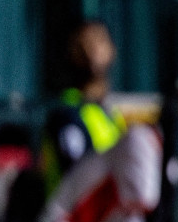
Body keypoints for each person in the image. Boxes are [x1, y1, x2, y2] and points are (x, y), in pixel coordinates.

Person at [41, 20, 128, 195]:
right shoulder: (67, 111)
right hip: (75, 209)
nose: (92, 50)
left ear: (112, 50)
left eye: (99, 41)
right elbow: (80, 177)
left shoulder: (109, 113)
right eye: (83, 44)